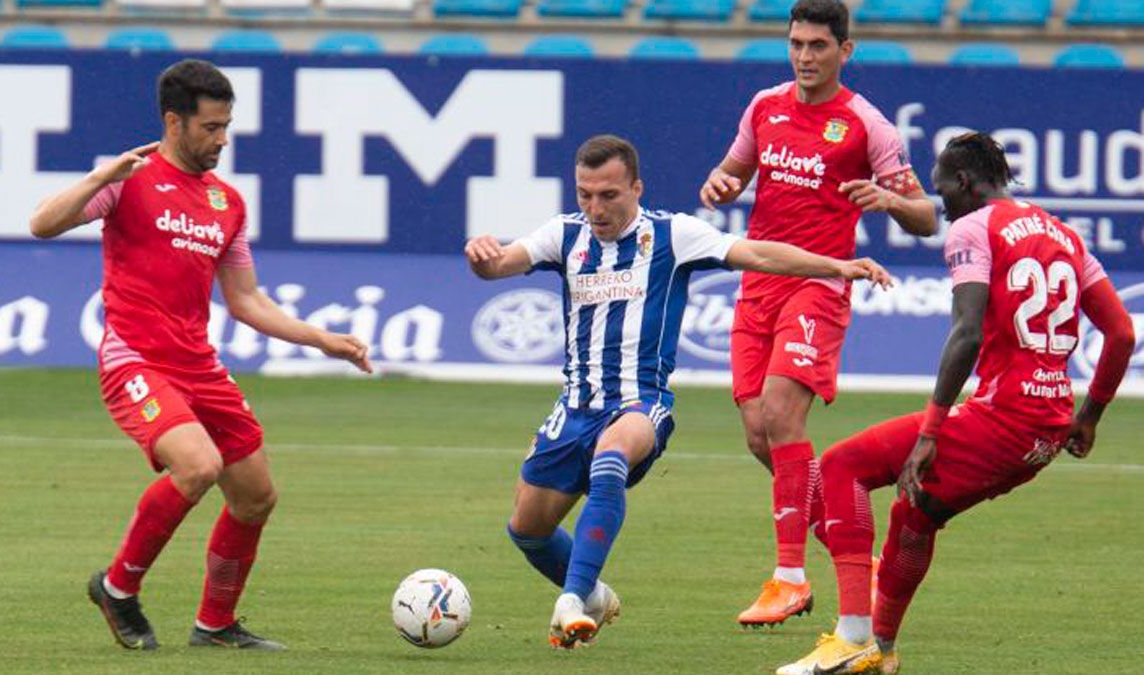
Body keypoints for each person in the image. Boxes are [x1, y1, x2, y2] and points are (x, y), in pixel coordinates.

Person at [465, 134, 892, 649]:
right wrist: (481, 255)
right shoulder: (564, 234)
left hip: (641, 403)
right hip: (574, 406)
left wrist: (837, 266)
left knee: (612, 455)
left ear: (636, 188)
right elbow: (499, 265)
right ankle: (595, 595)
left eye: (608, 195)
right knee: (527, 530)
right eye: (585, 194)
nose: (595, 208)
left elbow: (757, 252)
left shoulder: (673, 234)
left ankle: (572, 600)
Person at [29, 59, 373, 651]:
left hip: (199, 365)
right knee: (198, 466)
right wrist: (97, 178)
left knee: (256, 495)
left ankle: (215, 625)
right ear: (174, 121)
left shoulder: (227, 203)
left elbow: (245, 300)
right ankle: (118, 587)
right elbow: (41, 224)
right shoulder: (127, 180)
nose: (223, 139)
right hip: (135, 359)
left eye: (226, 125)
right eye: (211, 127)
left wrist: (323, 339)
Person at [776, 132, 1135, 675]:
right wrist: (1090, 415)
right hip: (1047, 429)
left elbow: (965, 333)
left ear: (965, 181)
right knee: (915, 515)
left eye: (942, 186)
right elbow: (1123, 332)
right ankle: (883, 650)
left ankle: (852, 637)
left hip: (1002, 418)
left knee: (840, 466)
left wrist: (930, 431)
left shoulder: (973, 227)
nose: (939, 199)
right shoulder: (1065, 234)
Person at [698, 0, 938, 627]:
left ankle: (788, 578)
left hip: (822, 284)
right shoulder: (764, 106)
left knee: (781, 414)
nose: (805, 57)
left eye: (818, 46)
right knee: (762, 438)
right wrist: (719, 183)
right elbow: (732, 171)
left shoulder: (865, 124)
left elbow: (926, 217)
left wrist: (887, 197)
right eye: (796, 44)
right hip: (759, 282)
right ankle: (856, 549)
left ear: (845, 51)